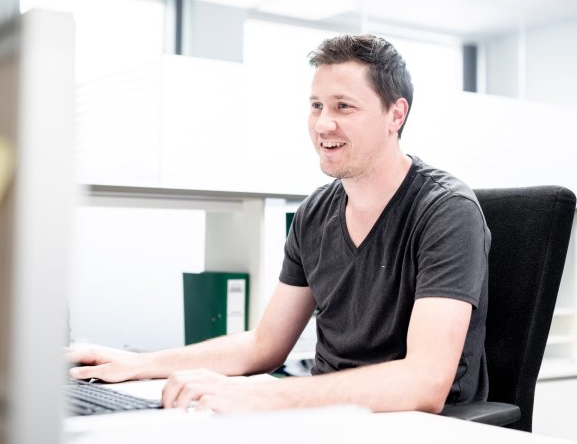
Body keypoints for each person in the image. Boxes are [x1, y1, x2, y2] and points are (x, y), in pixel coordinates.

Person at [69, 34, 491, 415]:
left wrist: (263, 396)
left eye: (344, 106)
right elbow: (263, 346)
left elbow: (425, 381)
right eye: (316, 106)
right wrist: (137, 364)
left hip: (417, 427)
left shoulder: (446, 210)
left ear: (395, 114)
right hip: (328, 416)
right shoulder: (314, 214)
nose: (324, 123)